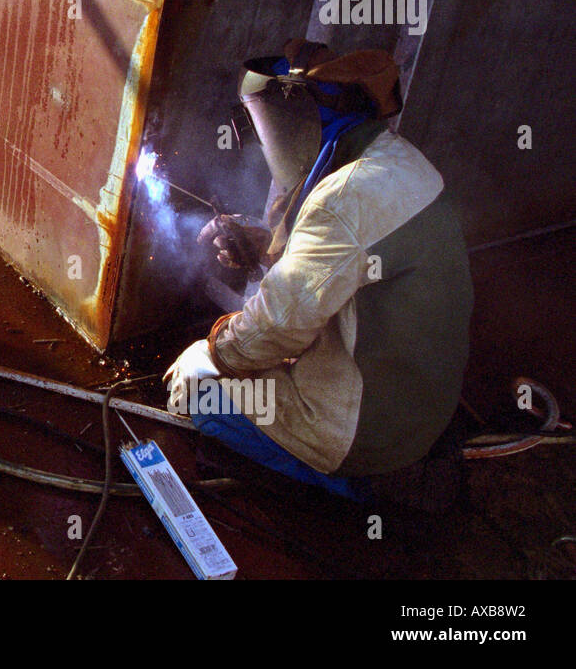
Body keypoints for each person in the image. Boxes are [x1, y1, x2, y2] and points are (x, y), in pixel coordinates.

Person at [163, 39, 473, 509]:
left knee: (197, 394)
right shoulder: (402, 162)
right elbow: (343, 259)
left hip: (367, 433)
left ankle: (360, 489)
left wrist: (211, 355)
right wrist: (265, 245)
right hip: (421, 405)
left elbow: (276, 330)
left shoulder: (342, 198)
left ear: (307, 115)